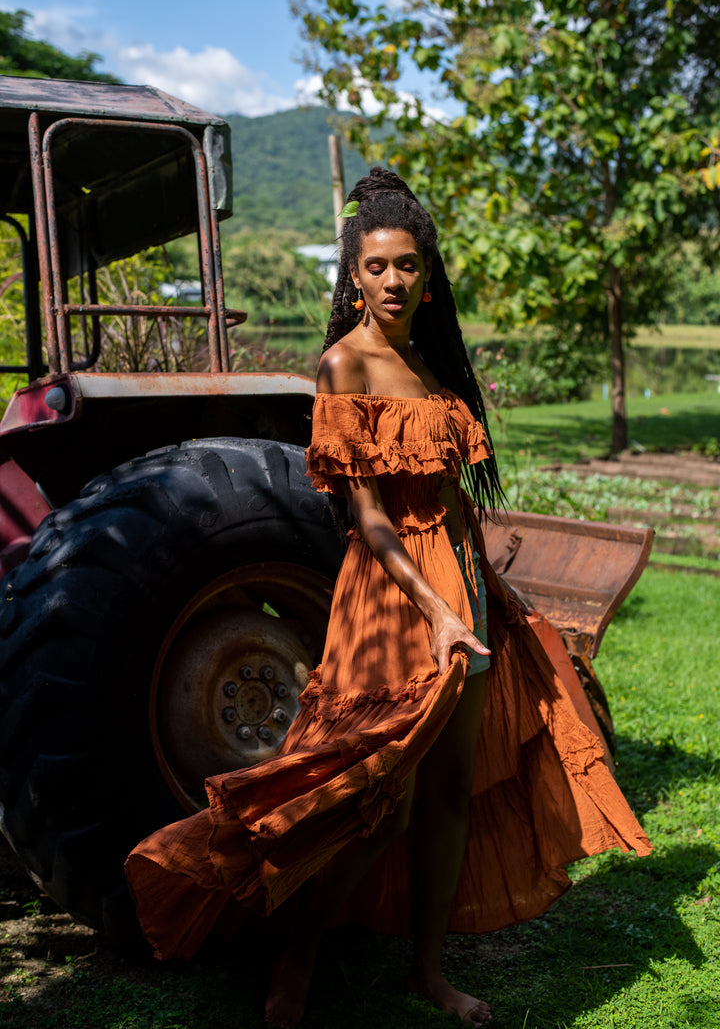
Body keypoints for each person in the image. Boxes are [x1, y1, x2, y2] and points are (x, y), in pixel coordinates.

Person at [125, 168, 651, 1028]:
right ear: (355, 276)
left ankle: (430, 971)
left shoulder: (432, 368)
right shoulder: (344, 365)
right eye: (377, 267)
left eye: (409, 265)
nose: (394, 280)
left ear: (428, 275)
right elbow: (367, 519)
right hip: (391, 600)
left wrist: (483, 594)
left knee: (446, 790)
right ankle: (293, 969)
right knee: (371, 792)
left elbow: (451, 507)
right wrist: (435, 609)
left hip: (465, 590)